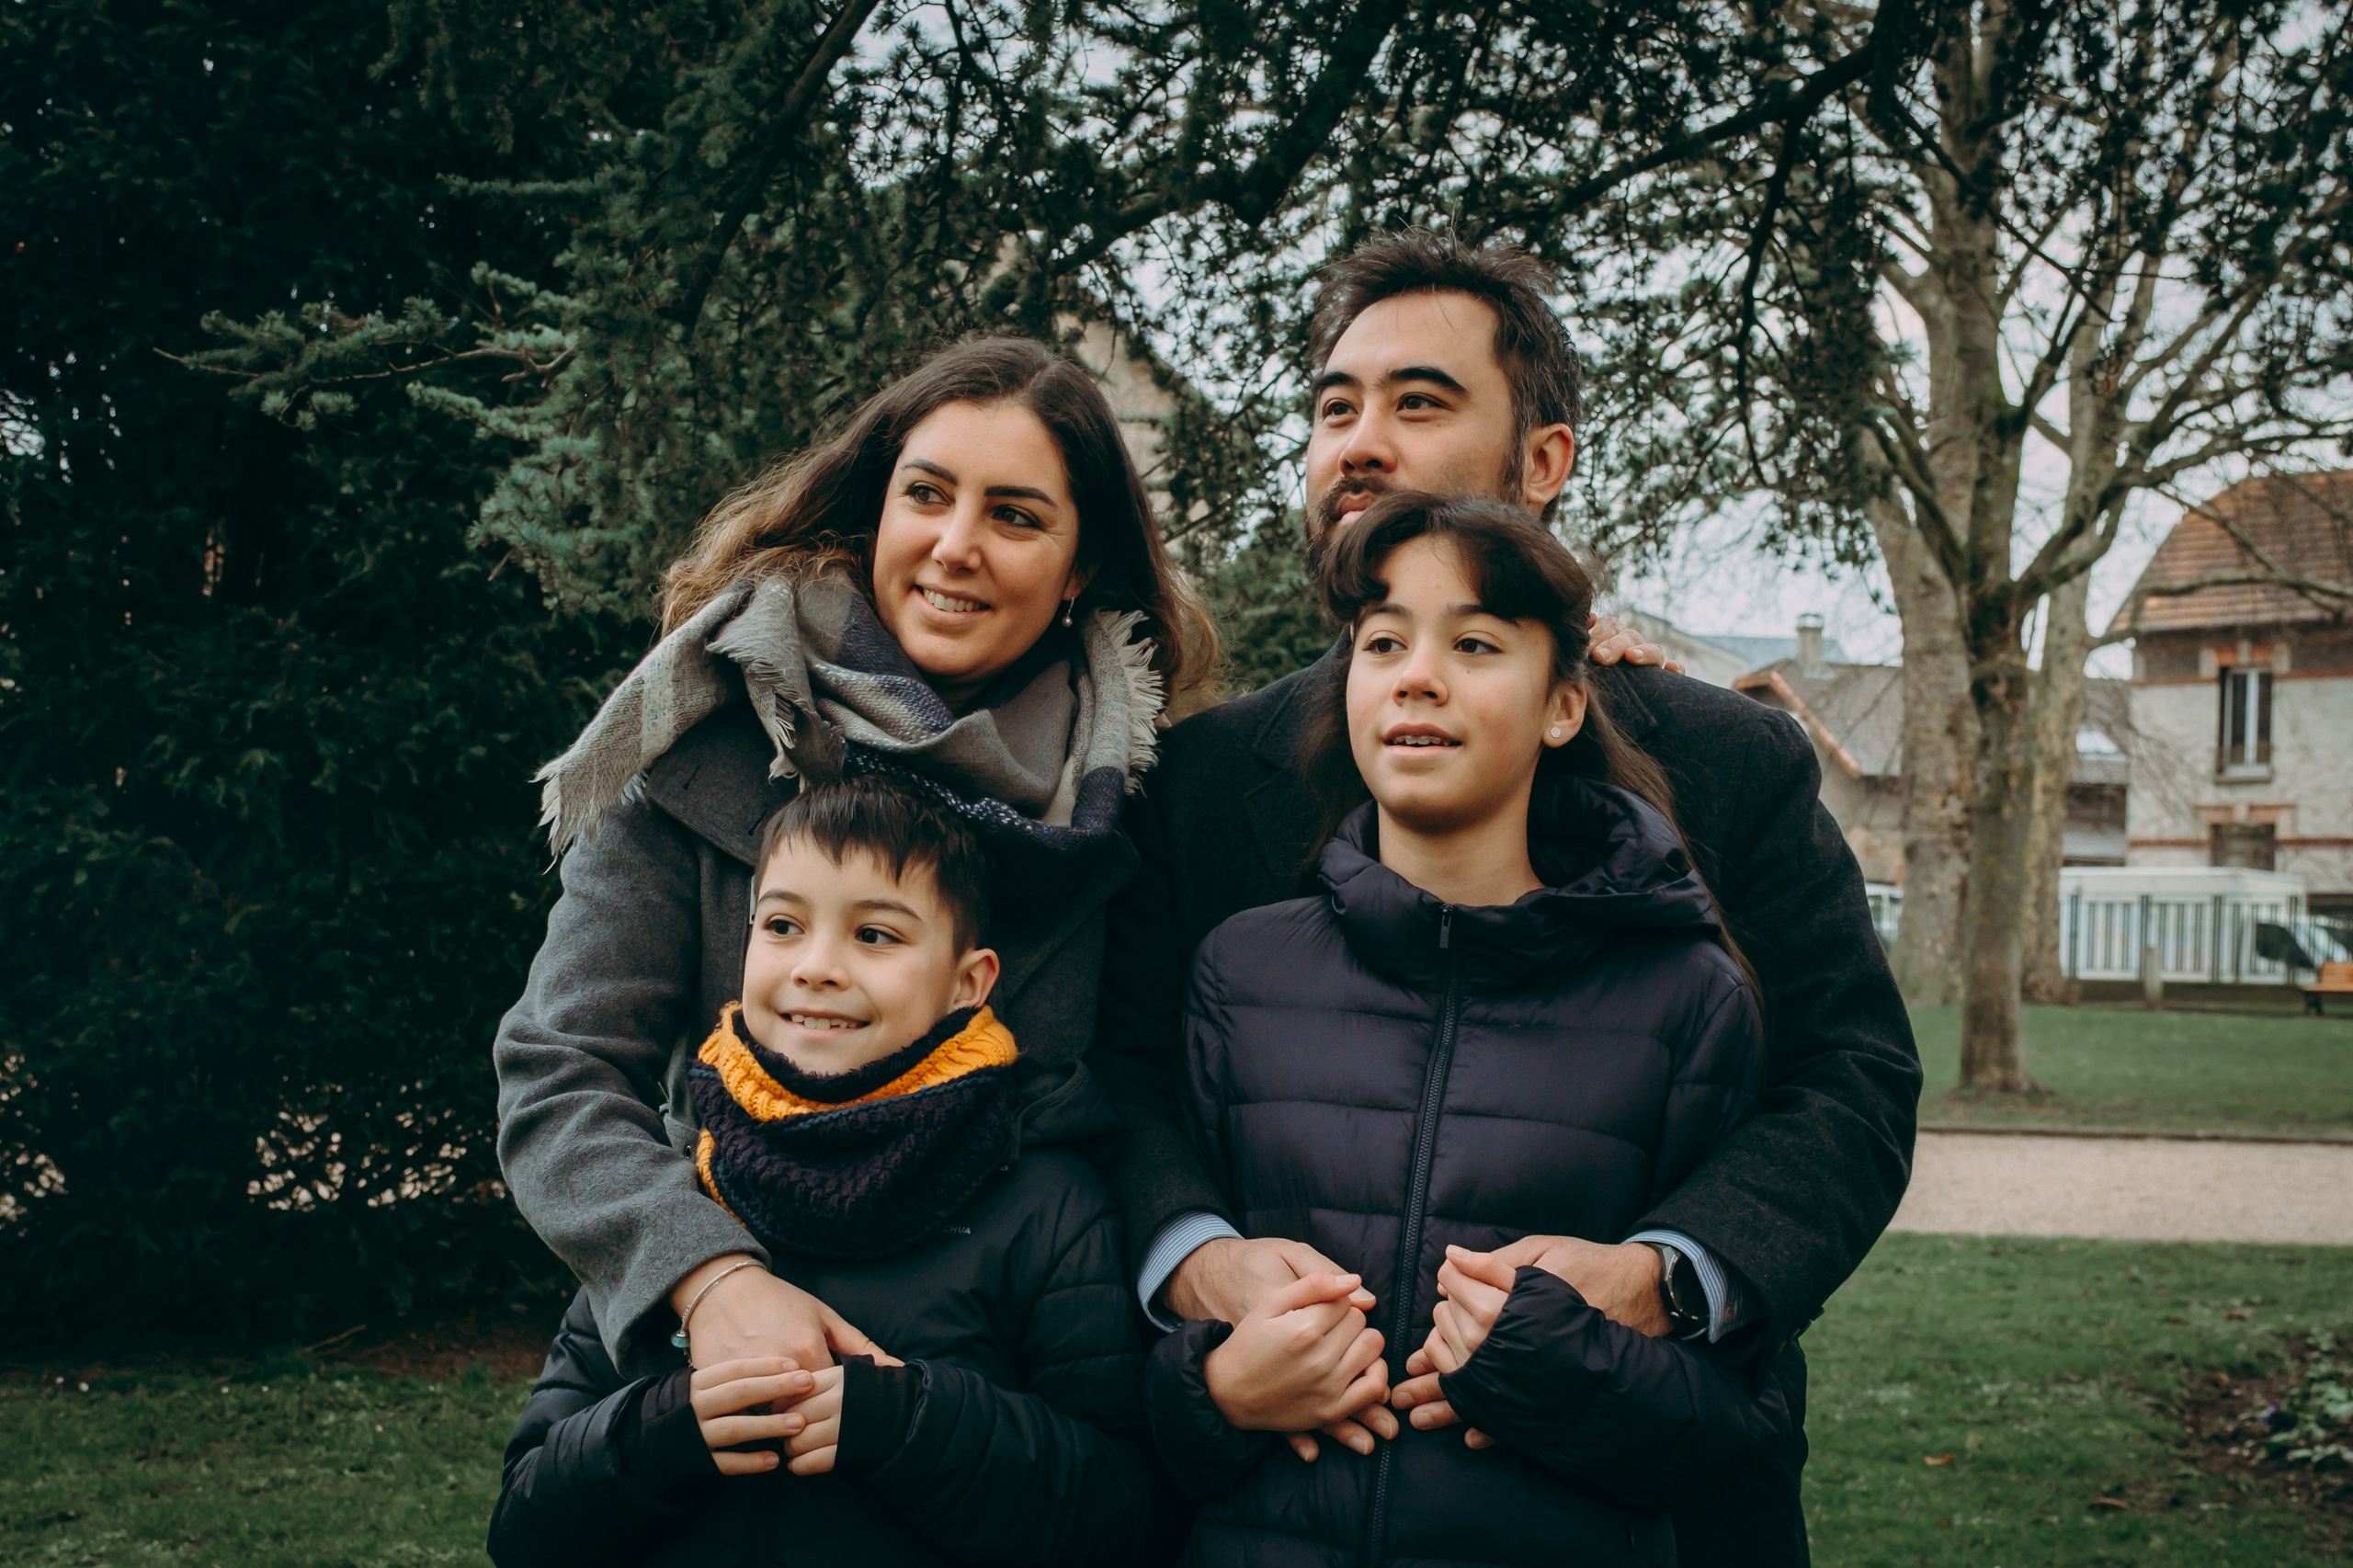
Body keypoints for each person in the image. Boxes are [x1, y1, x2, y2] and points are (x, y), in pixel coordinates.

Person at [1093, 232, 1921, 1562]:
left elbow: (1852, 1080)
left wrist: (1665, 1275)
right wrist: (1197, 1259)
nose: (1359, 441)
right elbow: (1122, 1078)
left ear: (1543, 465)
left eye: (1419, 403)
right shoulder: (1193, 780)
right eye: (1333, 405)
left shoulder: (1721, 760)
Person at [494, 335, 1211, 1379]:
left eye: (1015, 515)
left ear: (1081, 565)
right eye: (927, 493)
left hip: (1004, 1397)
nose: (955, 544)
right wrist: (711, 1277)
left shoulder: (1134, 801)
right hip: (724, 1367)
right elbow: (560, 1065)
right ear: (879, 507)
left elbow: (1147, 1101)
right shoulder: (707, 741)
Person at [1144, 494, 1797, 1566]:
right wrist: (1213, 1390)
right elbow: (1132, 1387)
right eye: (1384, 641)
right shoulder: (1239, 971)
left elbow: (1735, 1428)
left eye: (1476, 642)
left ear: (1562, 705)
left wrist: (1566, 1368)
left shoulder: (1687, 996)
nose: (1416, 673)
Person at [489, 775, 1175, 1567]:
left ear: (969, 982)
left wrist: (913, 1423)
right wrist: (664, 1430)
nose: (816, 966)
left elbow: (1124, 1521)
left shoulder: (1045, 1205)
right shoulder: (682, 1194)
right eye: (782, 924)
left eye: (875, 936)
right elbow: (525, 1530)